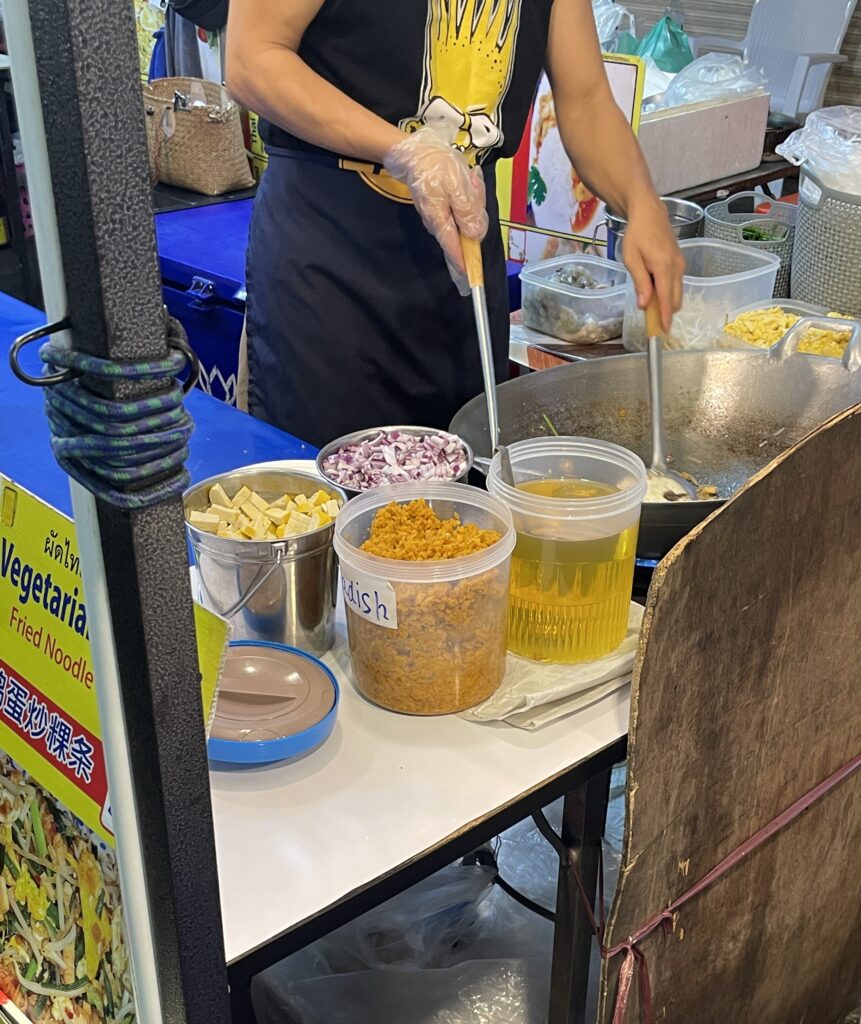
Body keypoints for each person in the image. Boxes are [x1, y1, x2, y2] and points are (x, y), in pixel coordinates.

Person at [227, 0, 685, 447]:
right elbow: (253, 59)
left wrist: (641, 202)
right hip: (331, 252)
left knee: (462, 481)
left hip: (464, 249)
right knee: (333, 489)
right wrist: (403, 149)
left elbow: (585, 98)